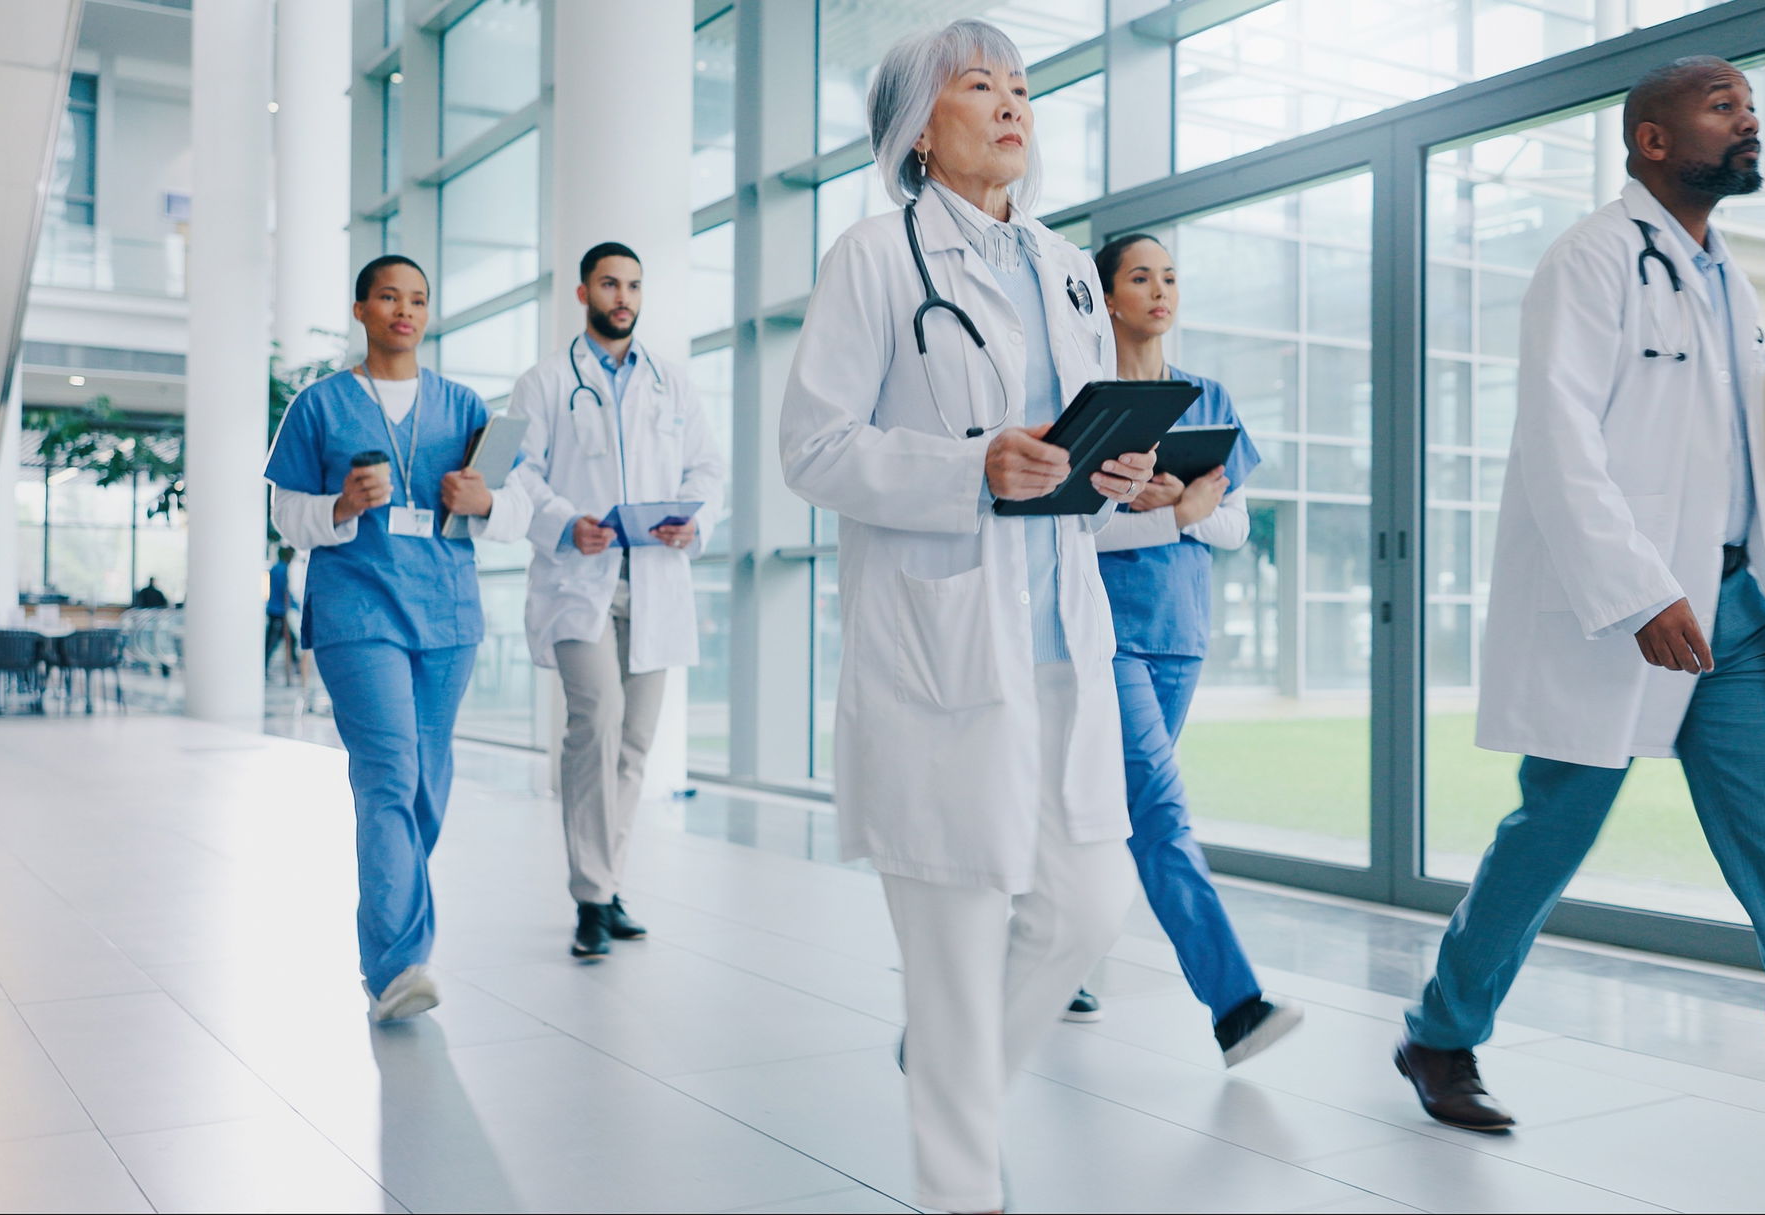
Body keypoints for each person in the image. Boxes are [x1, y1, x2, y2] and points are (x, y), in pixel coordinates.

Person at [1391, 58, 1765, 1214]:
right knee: (1549, 837)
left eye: (1750, 106)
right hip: (1623, 613)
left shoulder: (1726, 276)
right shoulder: (1588, 258)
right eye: (1721, 105)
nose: (1747, 118)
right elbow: (1561, 441)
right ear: (1651, 141)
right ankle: (1439, 1033)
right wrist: (1635, 590)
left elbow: (1704, 432)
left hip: (1734, 605)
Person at [778, 21, 1157, 1213]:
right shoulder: (874, 260)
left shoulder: (1057, 266)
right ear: (915, 127)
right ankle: (960, 1186)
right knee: (949, 953)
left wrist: (1111, 477)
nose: (1010, 106)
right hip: (939, 640)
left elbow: (1063, 446)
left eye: (1022, 88)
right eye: (979, 86)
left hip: (1059, 633)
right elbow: (813, 449)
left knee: (1089, 906)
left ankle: (953, 1078)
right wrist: (965, 468)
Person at [263, 253, 532, 1024]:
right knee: (389, 771)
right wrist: (342, 504)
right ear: (361, 309)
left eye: (417, 298)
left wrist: (483, 499)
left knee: (426, 780)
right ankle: (396, 964)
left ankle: (394, 927)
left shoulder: (463, 406)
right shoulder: (318, 407)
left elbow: (511, 511)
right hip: (358, 609)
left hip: (447, 611)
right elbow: (287, 519)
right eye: (388, 296)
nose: (404, 310)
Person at [1067, 231, 1302, 1064]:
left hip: (1180, 636)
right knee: (1158, 813)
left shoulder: (1211, 396)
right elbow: (1075, 536)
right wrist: (1175, 514)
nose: (1161, 290)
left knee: (1109, 810)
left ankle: (1056, 959)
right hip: (1105, 637)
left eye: (1170, 276)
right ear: (1106, 296)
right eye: (1140, 276)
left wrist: (1190, 504)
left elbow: (1234, 525)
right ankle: (1235, 1002)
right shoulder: (1087, 403)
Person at [505, 240, 726, 960]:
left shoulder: (671, 382)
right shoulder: (543, 382)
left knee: (634, 744)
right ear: (583, 293)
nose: (622, 296)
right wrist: (567, 521)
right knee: (594, 722)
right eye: (609, 283)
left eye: (632, 284)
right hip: (581, 575)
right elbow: (519, 474)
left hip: (655, 573)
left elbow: (709, 467)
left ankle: (606, 880)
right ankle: (590, 897)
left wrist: (697, 518)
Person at [265, 546, 298, 680]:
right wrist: (296, 605)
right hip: (278, 611)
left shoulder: (275, 568)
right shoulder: (283, 570)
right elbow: (285, 592)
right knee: (272, 642)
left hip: (276, 609)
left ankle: (295, 665)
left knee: (281, 641)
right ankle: (264, 667)